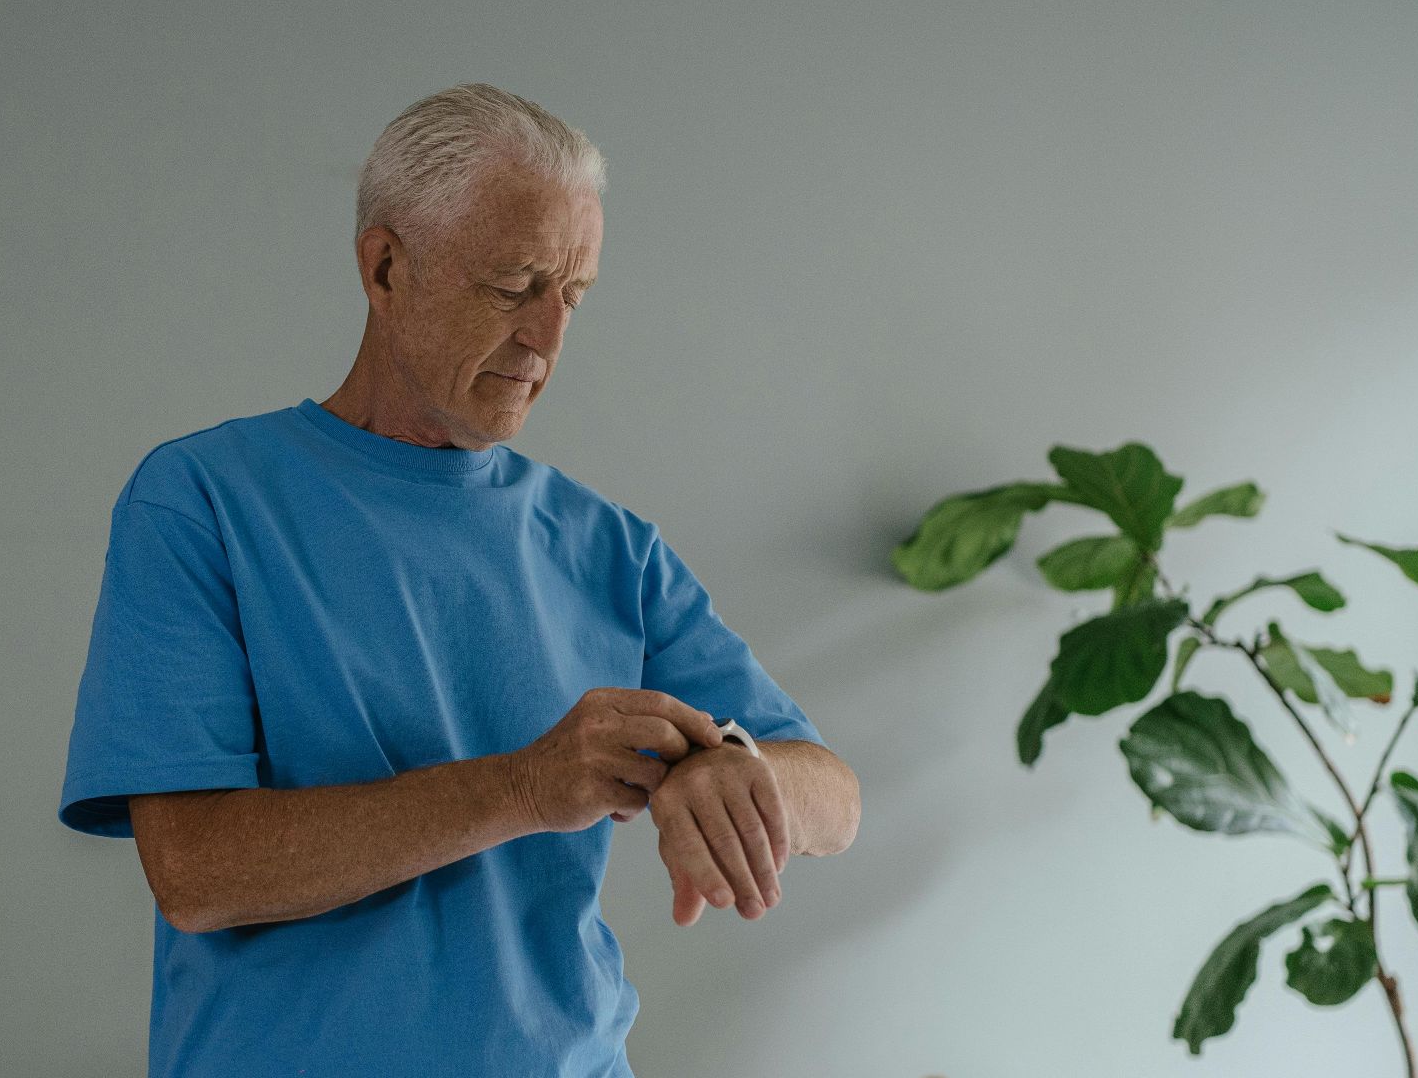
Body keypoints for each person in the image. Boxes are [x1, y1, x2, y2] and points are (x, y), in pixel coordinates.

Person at [57, 82, 860, 1078]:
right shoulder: (203, 500)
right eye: (516, 283)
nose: (549, 340)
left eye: (574, 294)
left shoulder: (609, 546)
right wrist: (526, 785)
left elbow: (833, 797)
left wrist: (728, 767)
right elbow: (197, 873)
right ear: (386, 266)